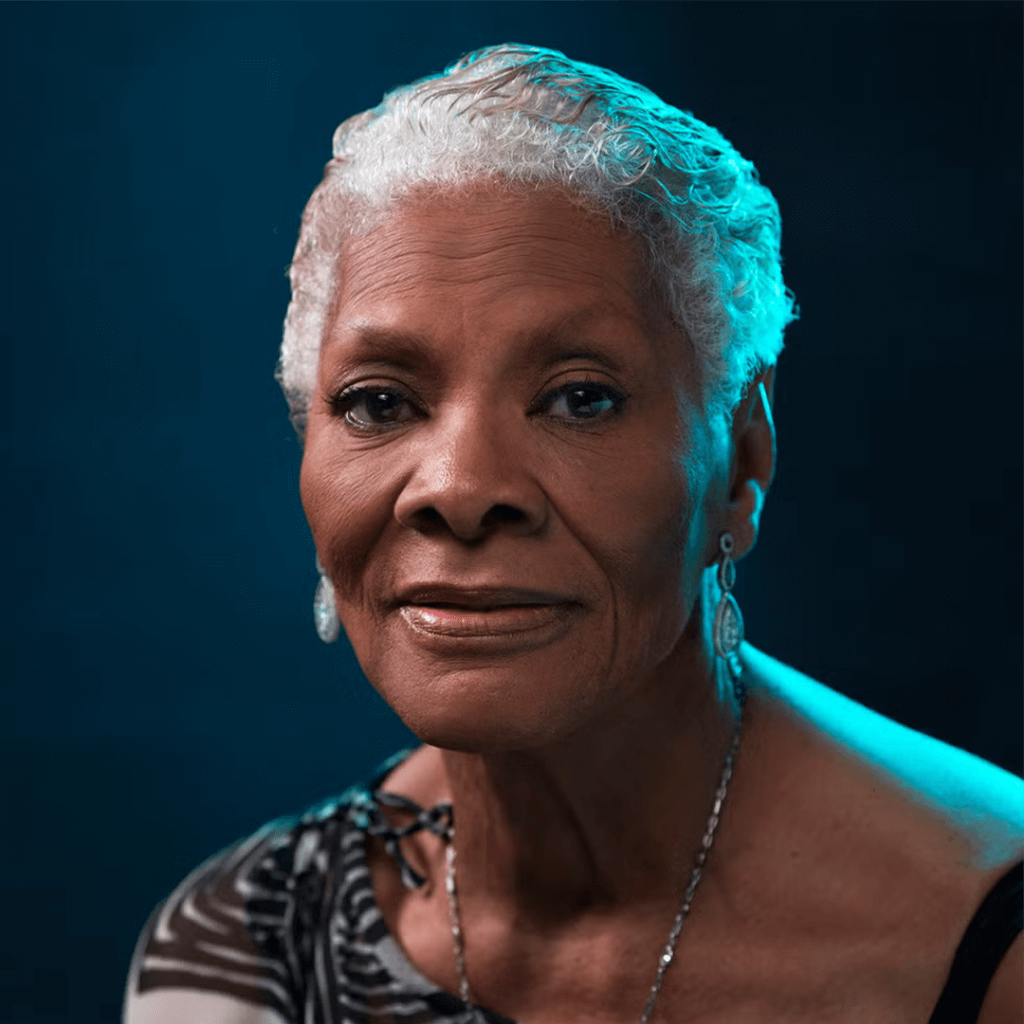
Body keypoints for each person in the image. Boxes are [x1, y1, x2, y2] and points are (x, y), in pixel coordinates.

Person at [122, 44, 1023, 1024]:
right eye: (379, 402)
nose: (461, 490)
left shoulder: (986, 938)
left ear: (740, 461)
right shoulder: (240, 948)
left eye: (579, 398)